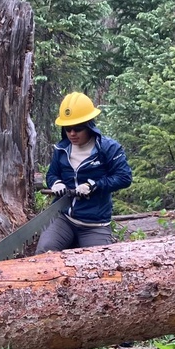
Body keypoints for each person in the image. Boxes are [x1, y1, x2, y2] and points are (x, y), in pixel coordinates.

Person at [36, 92, 133, 254]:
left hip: (95, 224)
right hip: (64, 219)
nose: (72, 133)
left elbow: (124, 178)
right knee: (44, 252)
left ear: (89, 125)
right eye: (68, 128)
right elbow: (52, 174)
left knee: (98, 263)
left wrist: (94, 185)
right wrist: (55, 183)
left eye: (78, 128)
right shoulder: (61, 149)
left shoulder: (108, 148)